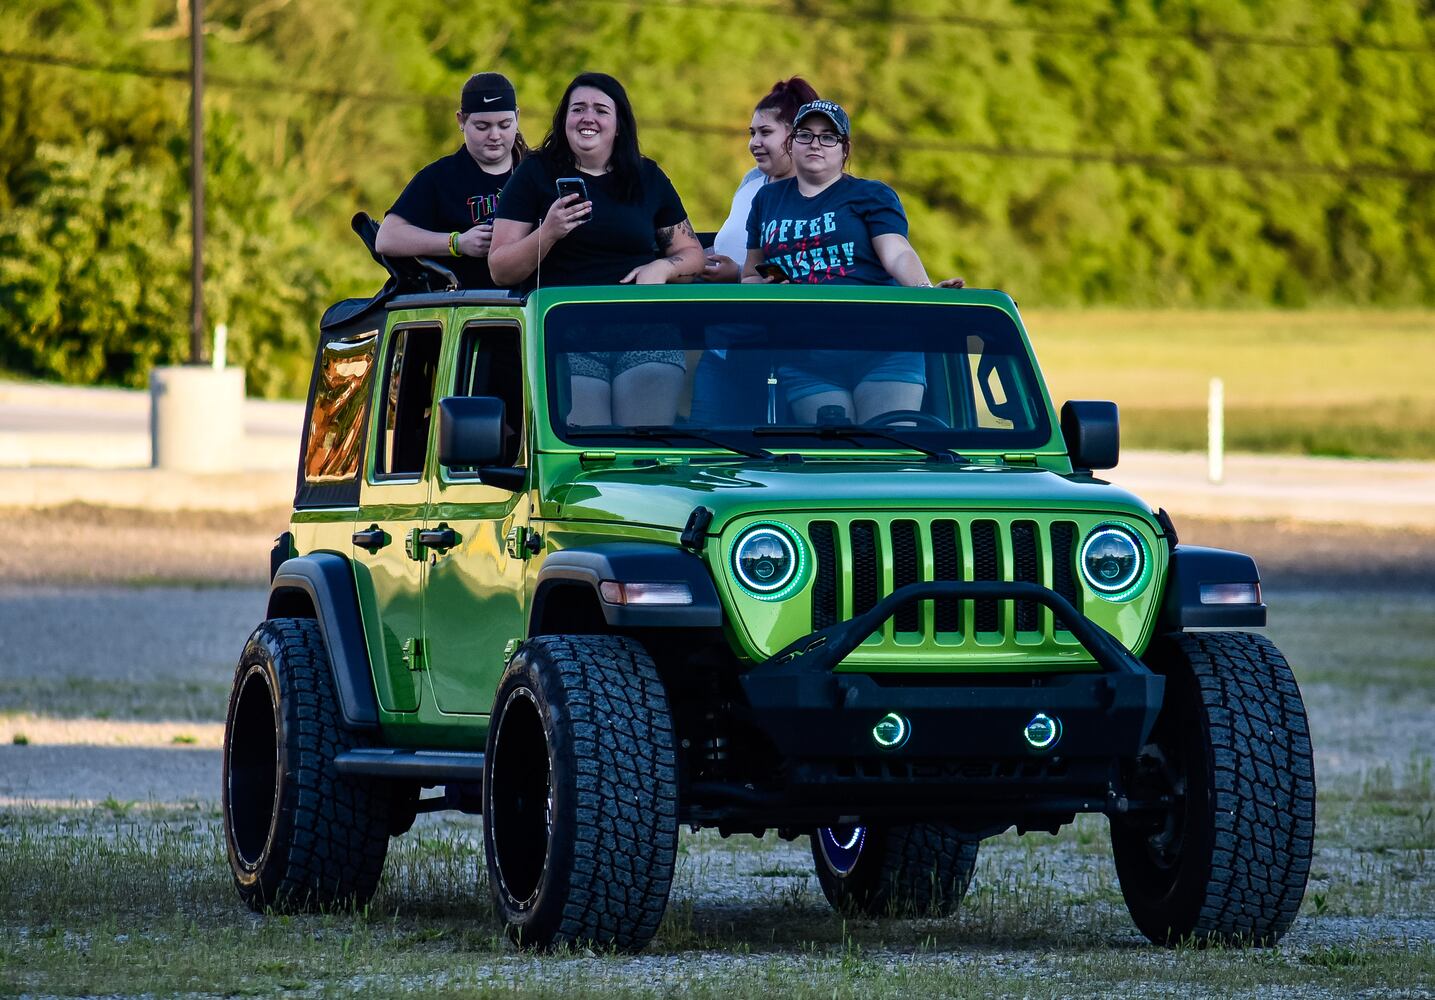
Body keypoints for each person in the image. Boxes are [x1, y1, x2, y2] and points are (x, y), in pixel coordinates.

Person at [489, 72, 705, 426]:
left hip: (646, 333)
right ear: (564, 121)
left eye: (601, 110)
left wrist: (663, 268)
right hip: (564, 337)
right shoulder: (534, 174)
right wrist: (549, 232)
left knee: (641, 452)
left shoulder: (647, 176)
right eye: (578, 109)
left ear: (618, 125)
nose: (588, 117)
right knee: (587, 451)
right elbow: (500, 269)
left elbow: (693, 254)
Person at [742, 99, 963, 423]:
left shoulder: (870, 194)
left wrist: (924, 291)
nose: (816, 144)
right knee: (831, 458)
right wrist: (770, 283)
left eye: (828, 136)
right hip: (805, 353)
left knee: (888, 452)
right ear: (792, 143)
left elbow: (897, 252)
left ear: (845, 149)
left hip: (884, 346)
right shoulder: (767, 199)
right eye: (806, 135)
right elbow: (749, 275)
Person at [374, 72, 527, 289]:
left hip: (531, 308)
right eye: (482, 126)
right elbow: (387, 238)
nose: (495, 135)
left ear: (517, 118)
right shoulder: (439, 176)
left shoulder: (537, 171)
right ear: (461, 121)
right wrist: (457, 243)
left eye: (504, 125)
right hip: (462, 310)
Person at [701, 77, 820, 283]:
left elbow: (800, 271)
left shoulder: (817, 194)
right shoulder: (752, 179)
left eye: (765, 132)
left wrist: (738, 273)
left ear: (798, 135)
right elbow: (728, 242)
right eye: (752, 133)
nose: (754, 143)